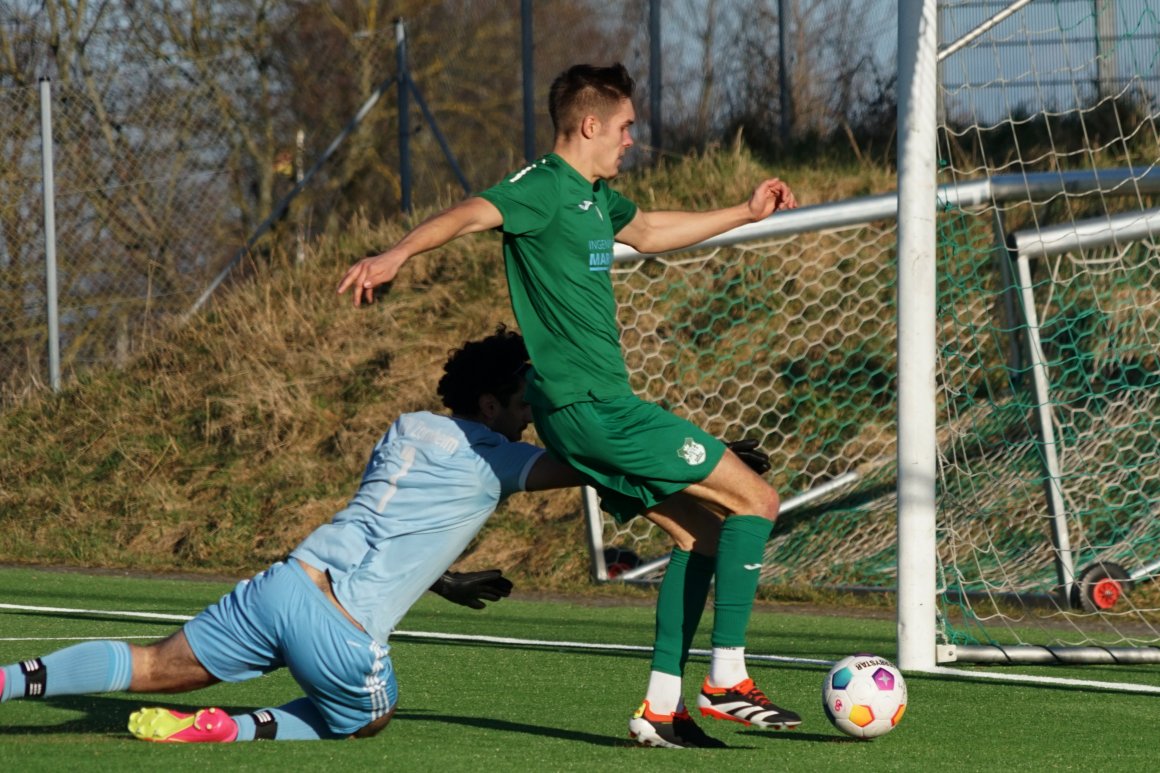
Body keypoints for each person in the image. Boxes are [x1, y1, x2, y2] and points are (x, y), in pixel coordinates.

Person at [338, 63, 802, 748]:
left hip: (592, 409)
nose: (631, 141)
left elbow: (648, 231)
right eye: (626, 128)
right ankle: (727, 677)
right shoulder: (544, 187)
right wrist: (397, 253)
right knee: (756, 501)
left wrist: (743, 210)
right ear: (589, 124)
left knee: (699, 533)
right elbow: (472, 211)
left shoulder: (595, 197)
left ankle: (662, 708)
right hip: (592, 407)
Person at [0, 328, 576, 742]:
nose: (528, 416)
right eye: (524, 404)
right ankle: (234, 730)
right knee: (370, 720)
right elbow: (583, 463)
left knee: (151, 665)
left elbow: (391, 519)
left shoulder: (406, 428)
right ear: (490, 402)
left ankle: (7, 681)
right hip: (342, 630)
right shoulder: (496, 459)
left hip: (285, 584)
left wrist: (438, 576)